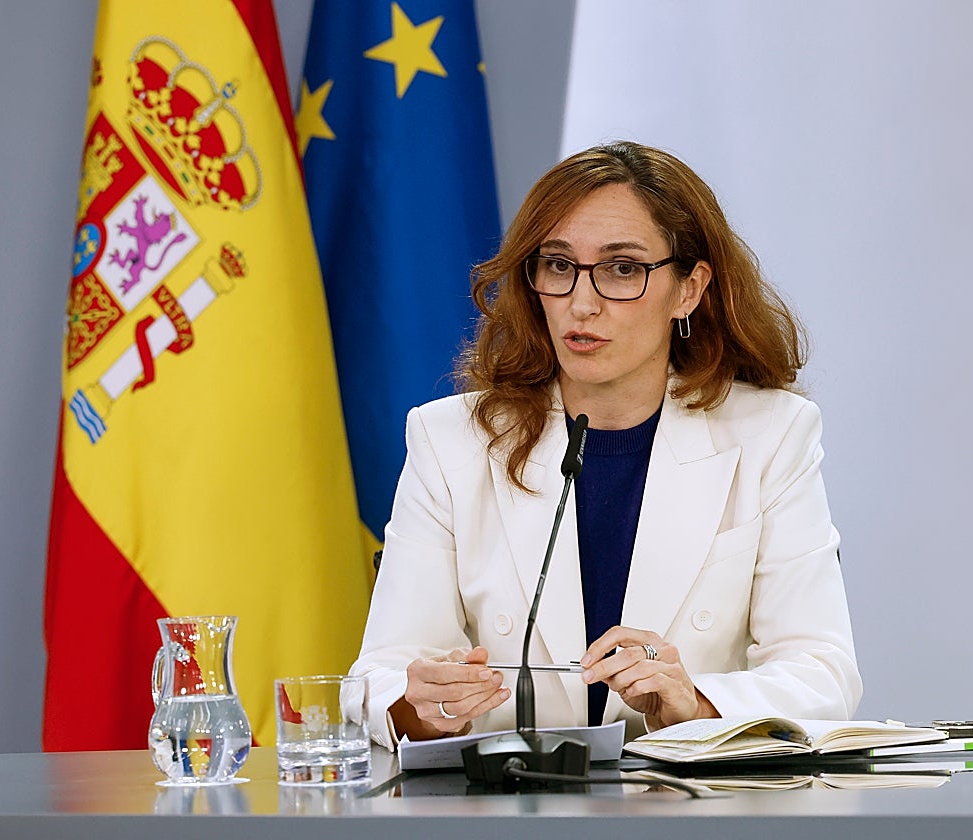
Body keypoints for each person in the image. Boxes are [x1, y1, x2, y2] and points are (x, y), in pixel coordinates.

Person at [350, 141, 861, 748]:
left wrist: (691, 699)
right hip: (511, 814)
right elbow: (380, 677)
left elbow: (823, 675)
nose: (582, 303)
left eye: (623, 268)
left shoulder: (772, 435)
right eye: (559, 266)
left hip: (690, 815)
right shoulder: (451, 439)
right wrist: (424, 705)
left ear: (688, 289)